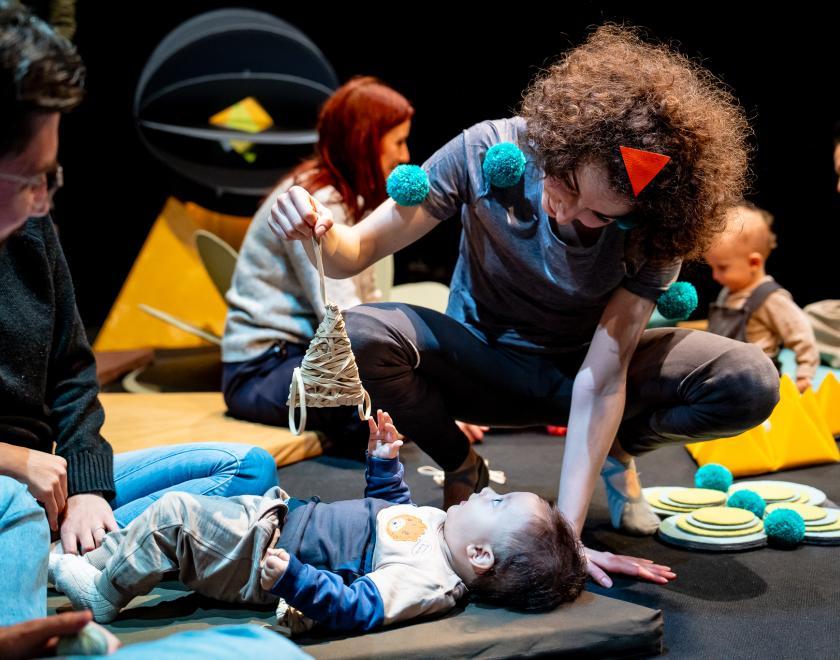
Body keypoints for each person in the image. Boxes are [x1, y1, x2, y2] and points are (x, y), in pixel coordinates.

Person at [266, 25, 780, 586]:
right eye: (566, 185)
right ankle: (461, 462)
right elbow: (354, 252)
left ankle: (616, 448)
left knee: (746, 379)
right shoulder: (488, 150)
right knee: (359, 334)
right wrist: (318, 230)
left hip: (579, 375)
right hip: (481, 365)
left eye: (602, 216)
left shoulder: (655, 228)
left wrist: (567, 538)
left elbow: (603, 379)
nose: (571, 215)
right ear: (561, 144)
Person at [0, 1, 279, 562]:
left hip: (47, 480)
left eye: (48, 178)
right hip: (16, 486)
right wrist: (11, 461)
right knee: (18, 510)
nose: (41, 200)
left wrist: (86, 486)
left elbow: (74, 371)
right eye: (30, 177)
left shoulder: (33, 230)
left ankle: (70, 555)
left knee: (248, 472)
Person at [49, 410, 588, 633]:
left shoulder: (430, 580)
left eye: (496, 505)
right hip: (274, 518)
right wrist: (383, 464)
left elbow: (358, 608)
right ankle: (92, 558)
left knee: (175, 519)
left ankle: (102, 591)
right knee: (176, 533)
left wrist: (294, 579)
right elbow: (388, 512)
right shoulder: (440, 530)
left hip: (263, 557)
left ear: (481, 557)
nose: (487, 491)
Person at [222, 77, 488, 448]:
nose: (405, 154)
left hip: (299, 358)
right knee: (368, 402)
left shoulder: (352, 200)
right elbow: (345, 321)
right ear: (364, 143)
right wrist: (429, 411)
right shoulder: (319, 201)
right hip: (263, 371)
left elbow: (371, 305)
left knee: (397, 382)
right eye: (396, 141)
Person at [705, 203, 818, 391]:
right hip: (725, 376)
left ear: (754, 262)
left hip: (757, 383)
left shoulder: (770, 298)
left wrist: (804, 375)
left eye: (722, 268)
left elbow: (802, 334)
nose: (715, 276)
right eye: (712, 267)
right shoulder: (728, 292)